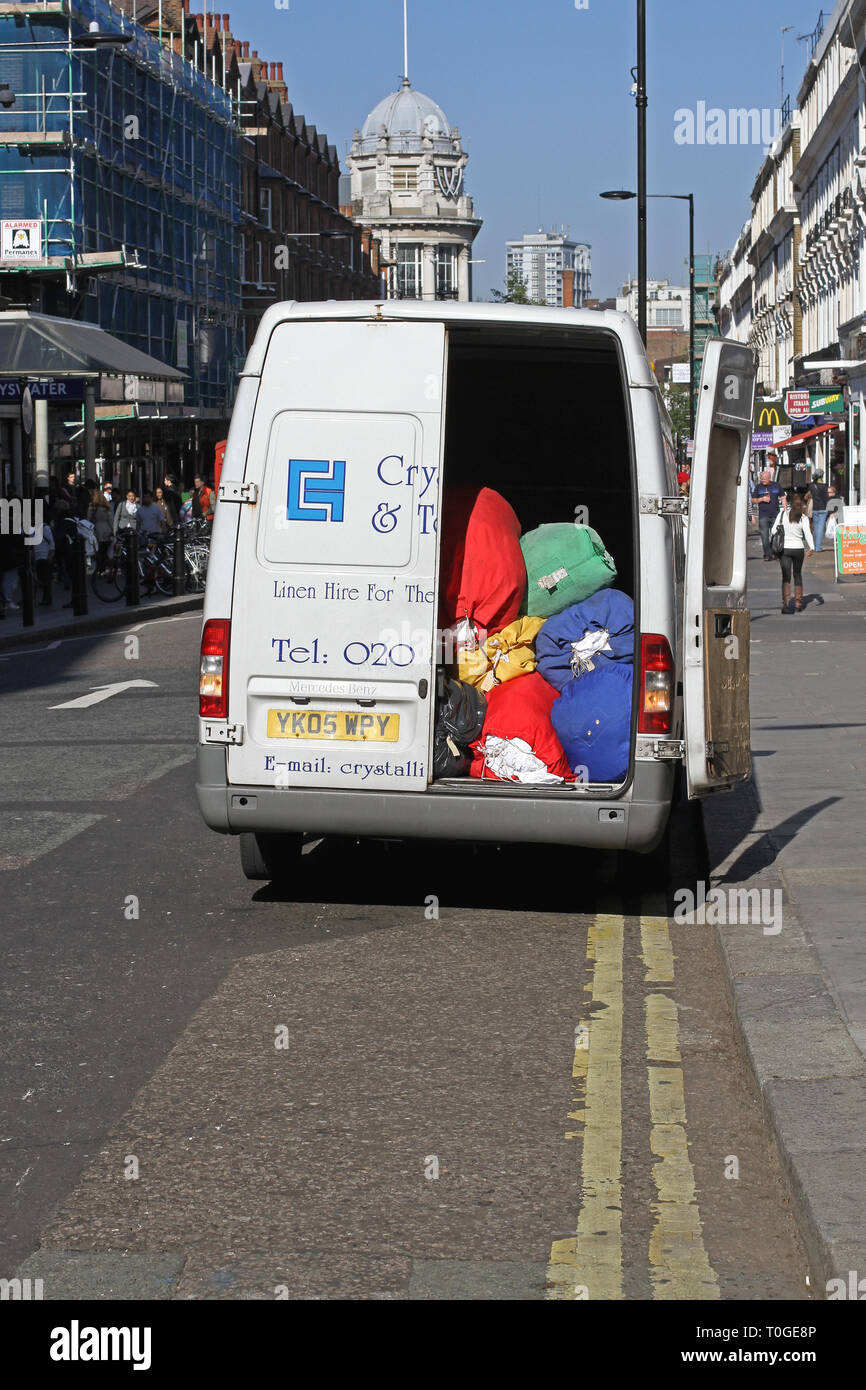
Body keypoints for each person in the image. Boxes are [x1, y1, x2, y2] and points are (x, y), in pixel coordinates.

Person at [771, 492, 815, 614]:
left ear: (790, 503)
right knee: (797, 574)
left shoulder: (782, 514)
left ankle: (786, 604)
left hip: (785, 549)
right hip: (798, 549)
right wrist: (812, 547)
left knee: (786, 577)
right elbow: (808, 533)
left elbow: (774, 530)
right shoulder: (803, 518)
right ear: (802, 505)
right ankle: (798, 603)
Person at [751, 467, 784, 560]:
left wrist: (785, 509)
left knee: (775, 535)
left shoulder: (776, 485)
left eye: (764, 479)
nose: (763, 480)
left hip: (775, 515)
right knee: (764, 536)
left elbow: (783, 497)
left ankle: (773, 552)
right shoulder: (758, 487)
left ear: (769, 478)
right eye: (761, 479)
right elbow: (753, 500)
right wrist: (762, 499)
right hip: (763, 515)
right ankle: (767, 554)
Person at [87, 486, 113, 570]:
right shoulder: (106, 506)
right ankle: (104, 568)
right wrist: (112, 530)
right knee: (105, 550)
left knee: (97, 550)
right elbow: (110, 519)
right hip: (106, 529)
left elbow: (88, 518)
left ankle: (98, 568)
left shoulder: (92, 506)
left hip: (97, 530)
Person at [809, 470, 830, 551]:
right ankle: (818, 547)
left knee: (816, 528)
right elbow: (826, 498)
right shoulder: (825, 486)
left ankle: (815, 545)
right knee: (820, 528)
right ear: (822, 476)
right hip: (823, 508)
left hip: (815, 508)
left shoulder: (811, 485)